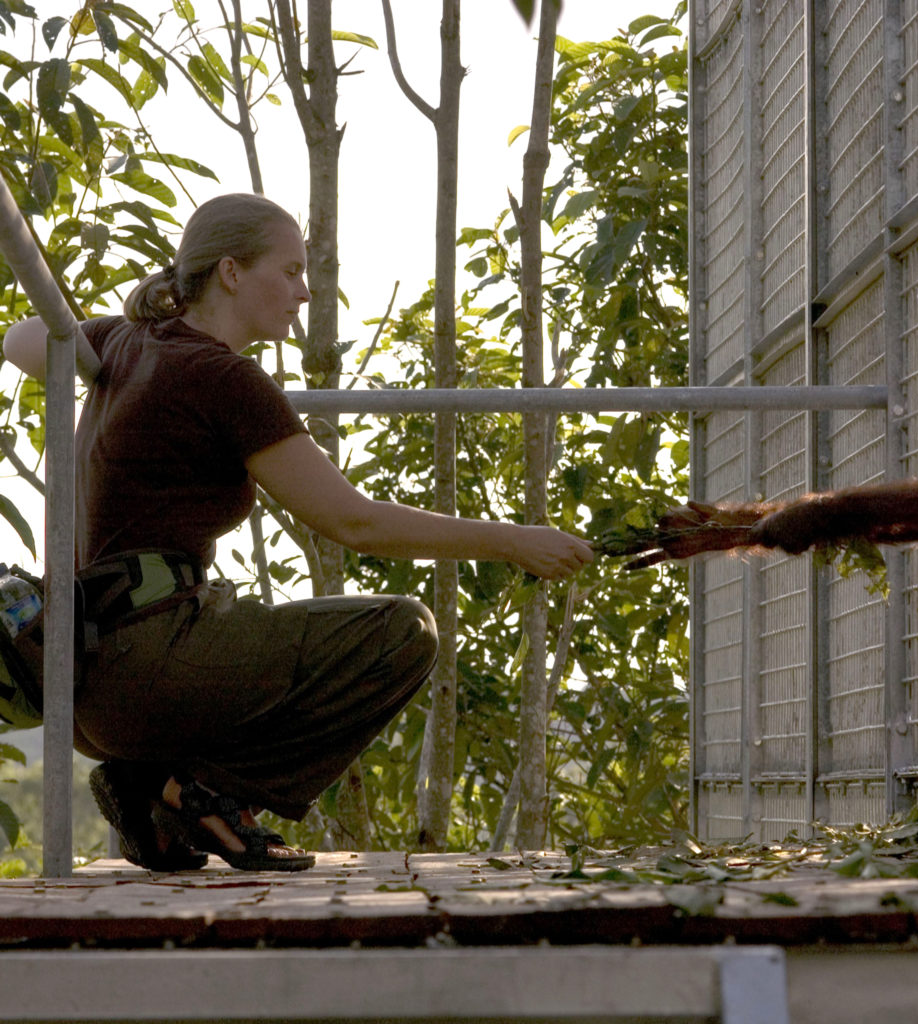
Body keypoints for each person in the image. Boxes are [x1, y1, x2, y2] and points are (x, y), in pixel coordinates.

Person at [3, 192, 593, 872]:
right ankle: (200, 792)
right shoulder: (222, 376)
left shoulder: (128, 341)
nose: (305, 293)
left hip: (81, 682)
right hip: (151, 669)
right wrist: (513, 540)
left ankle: (161, 786)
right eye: (289, 271)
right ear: (230, 272)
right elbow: (353, 521)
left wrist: (87, 354)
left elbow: (22, 337)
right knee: (402, 632)